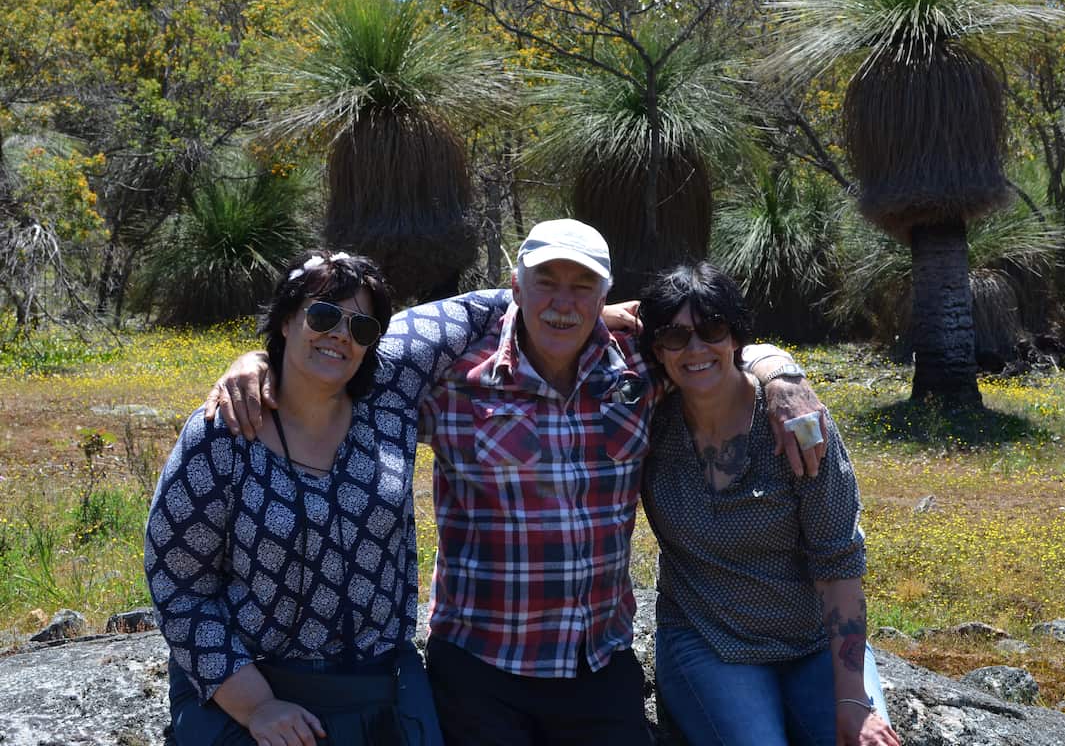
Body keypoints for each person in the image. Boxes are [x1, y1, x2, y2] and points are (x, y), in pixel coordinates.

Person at [206, 221, 828, 745]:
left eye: (582, 288)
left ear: (606, 297)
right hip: (481, 663)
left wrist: (779, 371)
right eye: (546, 284)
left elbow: (713, 354)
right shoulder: (450, 374)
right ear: (514, 288)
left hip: (597, 660)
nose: (563, 303)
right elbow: (339, 348)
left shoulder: (638, 369)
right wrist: (256, 359)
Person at [145, 250, 509, 746]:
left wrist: (600, 313)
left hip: (377, 684)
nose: (341, 333)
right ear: (287, 319)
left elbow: (496, 306)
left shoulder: (389, 394)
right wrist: (258, 706)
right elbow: (177, 584)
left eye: (362, 328)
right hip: (251, 685)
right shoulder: (224, 432)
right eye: (322, 315)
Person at [638, 261, 900, 746]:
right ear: (657, 350)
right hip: (707, 638)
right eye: (675, 337)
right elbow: (562, 323)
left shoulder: (797, 423)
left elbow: (838, 559)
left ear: (736, 336)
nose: (695, 348)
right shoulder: (649, 423)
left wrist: (851, 703)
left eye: (712, 329)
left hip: (812, 640)